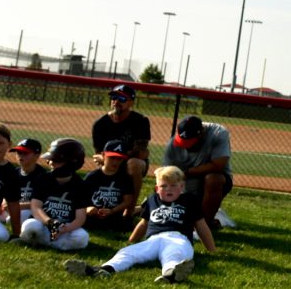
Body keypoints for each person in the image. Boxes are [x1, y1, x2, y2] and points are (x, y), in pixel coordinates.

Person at [65, 165, 216, 283]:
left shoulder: (189, 200)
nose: (168, 189)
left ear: (182, 187)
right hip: (153, 239)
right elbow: (144, 223)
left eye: (173, 185)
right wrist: (131, 241)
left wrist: (211, 250)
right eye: (164, 186)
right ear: (157, 189)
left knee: (174, 254)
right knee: (128, 253)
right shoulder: (152, 200)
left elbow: (201, 226)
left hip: (178, 238)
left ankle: (171, 273)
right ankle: (105, 269)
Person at [18, 138, 90, 250]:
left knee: (82, 237)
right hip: (43, 225)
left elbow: (80, 218)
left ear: (71, 163)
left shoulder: (80, 185)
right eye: (50, 160)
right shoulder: (43, 179)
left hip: (65, 229)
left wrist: (65, 228)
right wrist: (50, 222)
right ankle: (55, 245)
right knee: (30, 226)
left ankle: (44, 243)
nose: (50, 163)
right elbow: (36, 207)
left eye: (55, 160)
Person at [162, 116, 233, 229]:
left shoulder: (217, 133)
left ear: (201, 134)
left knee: (213, 179)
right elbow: (165, 176)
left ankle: (203, 226)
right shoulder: (173, 144)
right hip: (187, 185)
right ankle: (207, 220)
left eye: (189, 142)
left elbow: (219, 164)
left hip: (212, 181)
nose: (186, 145)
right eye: (182, 141)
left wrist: (188, 172)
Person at [92, 83, 151, 211]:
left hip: (133, 164)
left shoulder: (140, 121)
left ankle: (129, 211)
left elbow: (141, 153)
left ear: (131, 103)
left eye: (122, 99)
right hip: (110, 161)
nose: (116, 102)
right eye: (114, 97)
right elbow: (98, 154)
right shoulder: (100, 124)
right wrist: (109, 159)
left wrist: (113, 158)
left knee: (134, 164)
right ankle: (101, 205)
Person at [83, 139, 136, 232]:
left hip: (114, 216)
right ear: (103, 155)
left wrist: (112, 211)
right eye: (112, 158)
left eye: (119, 159)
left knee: (124, 226)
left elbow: (128, 201)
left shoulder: (125, 178)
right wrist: (88, 208)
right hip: (92, 215)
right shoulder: (92, 176)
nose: (115, 162)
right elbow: (81, 197)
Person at [0, 138, 46, 225]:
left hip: (30, 210)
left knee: (11, 219)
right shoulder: (13, 173)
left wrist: (16, 206)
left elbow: (43, 202)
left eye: (25, 153)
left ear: (37, 155)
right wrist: (4, 202)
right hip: (13, 207)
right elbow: (5, 193)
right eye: (19, 153)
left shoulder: (44, 176)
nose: (21, 156)